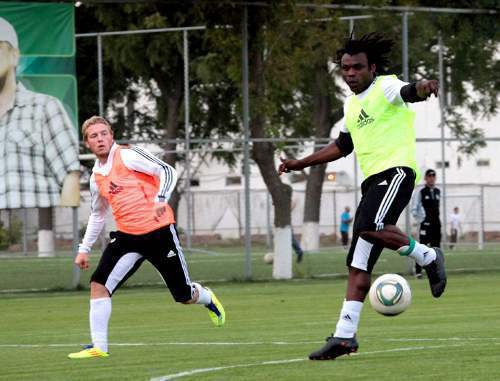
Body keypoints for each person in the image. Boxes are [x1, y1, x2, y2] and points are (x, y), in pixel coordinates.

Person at [278, 33, 446, 361]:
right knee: (357, 266)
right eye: (345, 68)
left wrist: (423, 87)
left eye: (357, 67)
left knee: (370, 225)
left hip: (396, 174)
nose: (350, 73)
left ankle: (427, 256)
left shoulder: (385, 86)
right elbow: (342, 147)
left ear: (371, 67)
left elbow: (408, 90)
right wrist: (300, 162)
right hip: (372, 185)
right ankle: (344, 337)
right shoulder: (351, 105)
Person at [68, 116, 225, 359]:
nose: (100, 139)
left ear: (112, 135)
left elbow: (166, 170)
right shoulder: (96, 177)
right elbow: (98, 215)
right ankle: (99, 347)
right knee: (99, 285)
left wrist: (161, 199)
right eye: (93, 136)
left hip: (159, 233)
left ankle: (207, 297)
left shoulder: (128, 155)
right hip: (127, 238)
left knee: (183, 295)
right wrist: (83, 248)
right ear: (86, 143)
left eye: (103, 133)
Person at [0, 17, 80, 256]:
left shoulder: (45, 107)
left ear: (14, 55)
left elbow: (70, 172)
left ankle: (46, 256)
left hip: (38, 228)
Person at [411, 169, 441, 278]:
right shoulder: (421, 192)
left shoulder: (438, 191)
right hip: (425, 224)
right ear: (425, 178)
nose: (431, 178)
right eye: (429, 176)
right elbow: (414, 209)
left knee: (436, 248)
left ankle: (435, 271)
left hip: (436, 223)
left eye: (433, 176)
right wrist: (422, 220)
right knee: (422, 247)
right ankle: (418, 271)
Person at [291, 197, 304, 263]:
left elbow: (291, 207)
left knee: (291, 240)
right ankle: (299, 251)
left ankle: (299, 252)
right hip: (280, 225)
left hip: (286, 225)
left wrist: (294, 202)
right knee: (291, 240)